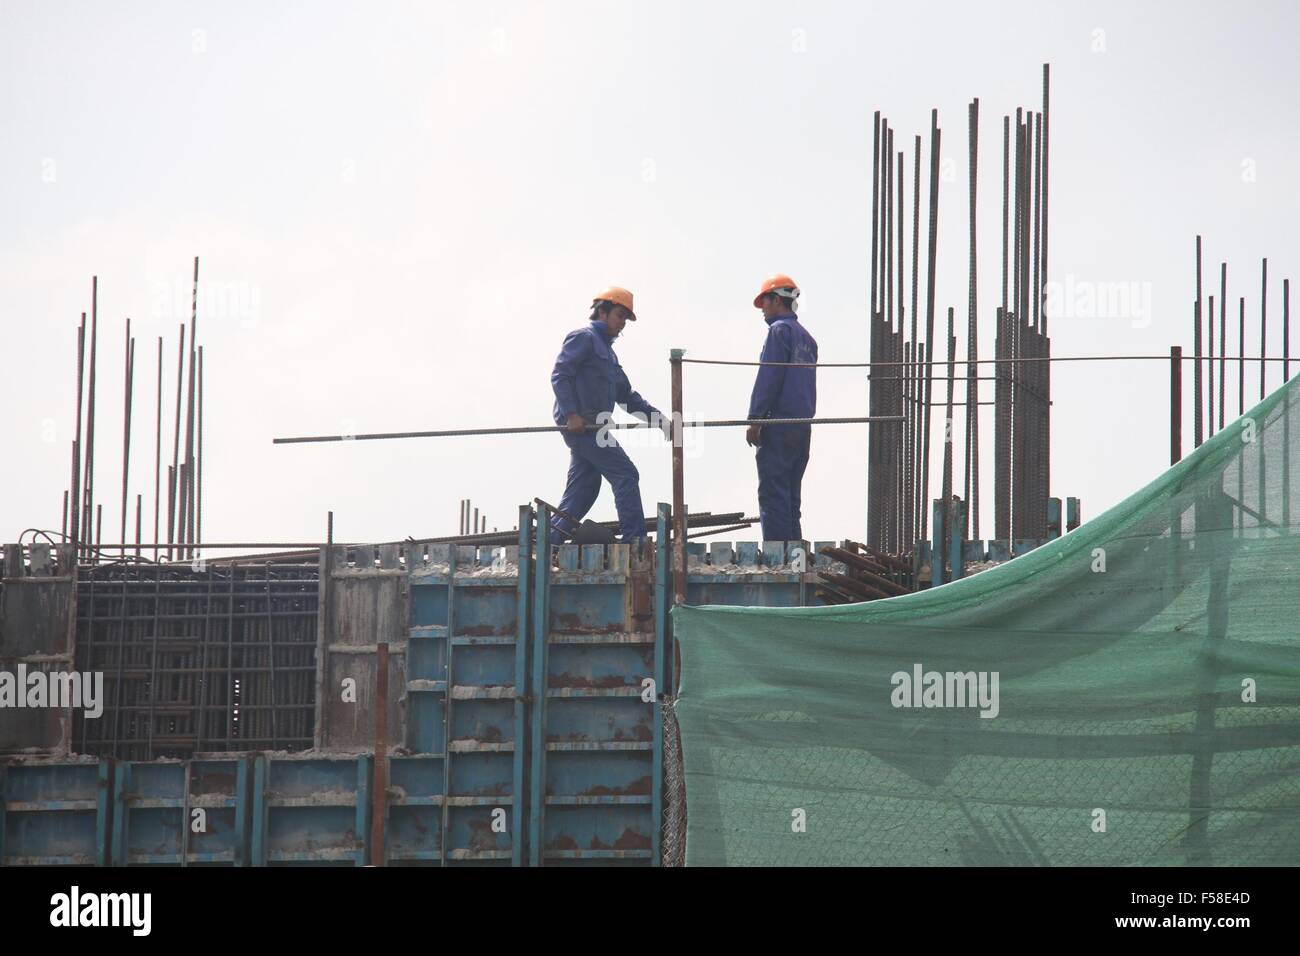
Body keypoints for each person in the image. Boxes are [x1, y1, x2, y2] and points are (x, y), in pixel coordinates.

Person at [550, 287, 670, 542]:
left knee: (584, 488)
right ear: (602, 312)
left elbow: (626, 395)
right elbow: (560, 375)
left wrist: (658, 419)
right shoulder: (583, 338)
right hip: (583, 426)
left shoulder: (608, 353)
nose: (622, 323)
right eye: (619, 315)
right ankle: (634, 543)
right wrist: (571, 415)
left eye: (625, 319)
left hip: (596, 428)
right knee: (626, 474)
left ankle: (550, 539)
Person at [746, 274, 818, 541]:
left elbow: (769, 376)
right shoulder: (808, 340)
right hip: (802, 427)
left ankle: (779, 555)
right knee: (790, 493)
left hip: (778, 424)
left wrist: (755, 419)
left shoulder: (779, 331)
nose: (762, 309)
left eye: (765, 302)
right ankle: (794, 553)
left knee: (773, 491)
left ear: (777, 300)